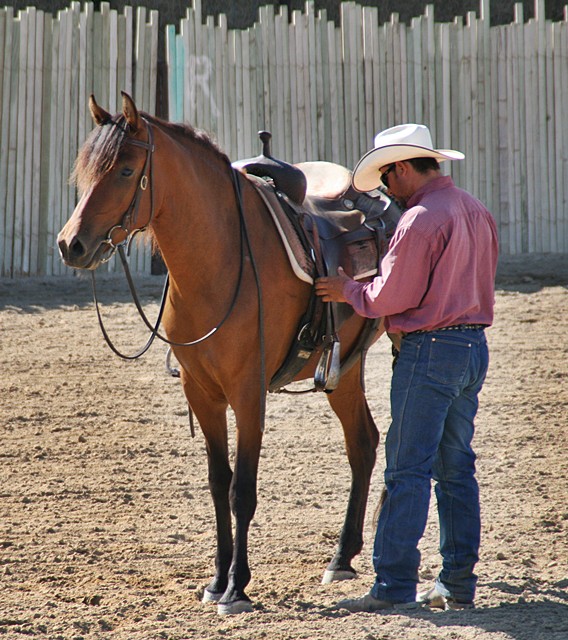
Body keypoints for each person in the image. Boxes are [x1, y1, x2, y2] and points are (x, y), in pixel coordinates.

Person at [315, 124, 499, 612]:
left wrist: (348, 292)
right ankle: (457, 582)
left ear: (401, 169)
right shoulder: (474, 209)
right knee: (456, 467)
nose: (384, 189)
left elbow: (390, 297)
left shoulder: (418, 219)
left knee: (407, 469)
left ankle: (392, 585)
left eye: (385, 177)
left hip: (430, 350)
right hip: (472, 347)